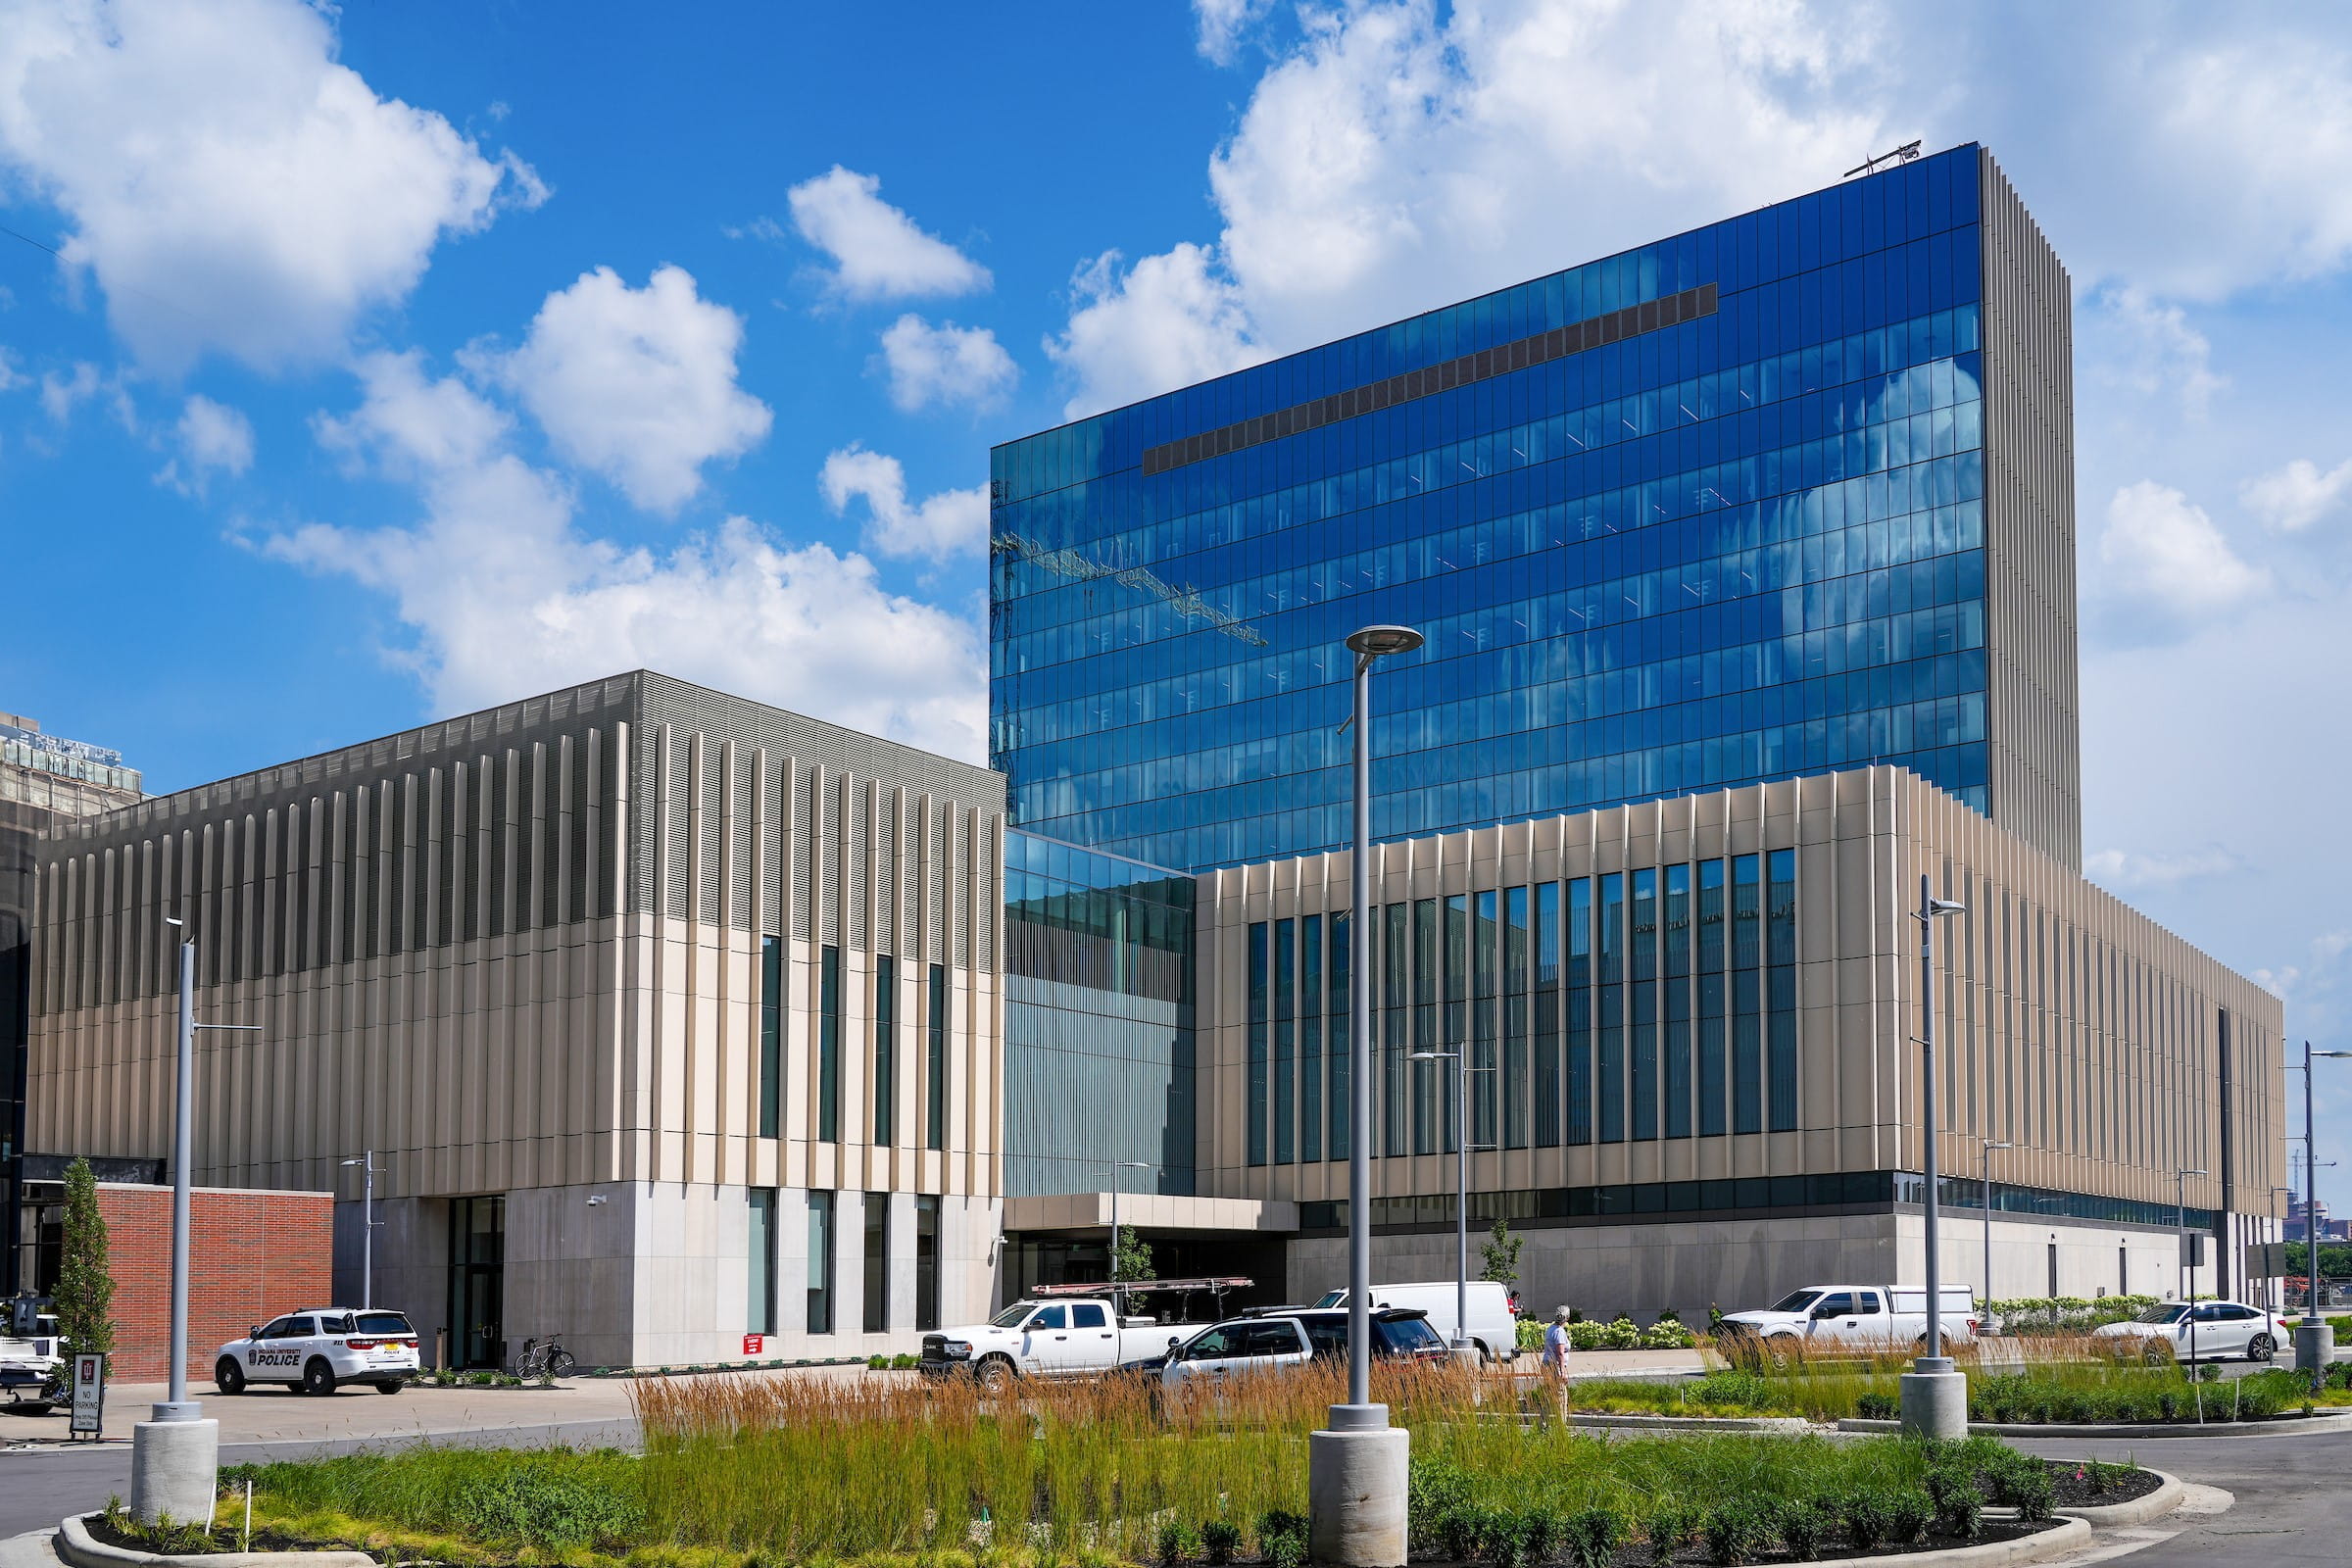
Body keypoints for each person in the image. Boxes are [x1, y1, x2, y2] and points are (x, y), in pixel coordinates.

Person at [1540, 1305, 1572, 1380]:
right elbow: (1560, 1352)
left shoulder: (1551, 1328)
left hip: (1547, 1363)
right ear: (1567, 1318)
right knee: (1560, 1390)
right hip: (1555, 1366)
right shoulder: (1559, 1331)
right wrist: (1562, 1371)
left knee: (1550, 1390)